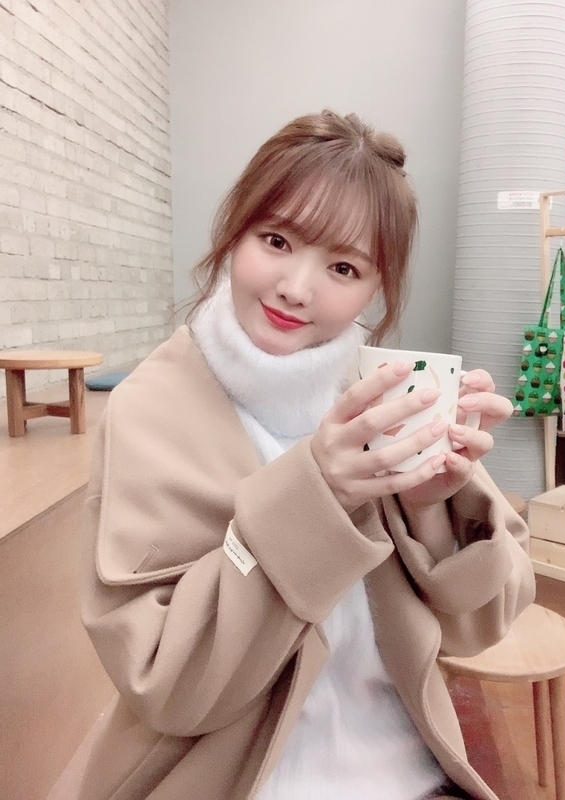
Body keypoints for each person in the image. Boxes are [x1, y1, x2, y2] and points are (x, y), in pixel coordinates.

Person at [50, 110, 535, 800]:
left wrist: (431, 511)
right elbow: (167, 685)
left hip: (407, 771)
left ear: (377, 287)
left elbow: (481, 628)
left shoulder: (388, 395)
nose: (296, 288)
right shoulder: (149, 410)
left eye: (343, 267)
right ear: (235, 229)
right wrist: (318, 496)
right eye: (276, 240)